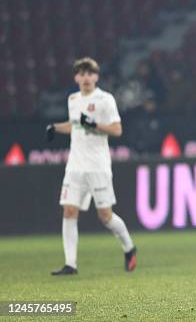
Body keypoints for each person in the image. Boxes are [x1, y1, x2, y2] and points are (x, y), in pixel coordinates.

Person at [45, 57, 137, 275]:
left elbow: (117, 130)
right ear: (76, 77)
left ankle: (129, 247)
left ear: (96, 77)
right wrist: (55, 128)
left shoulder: (105, 99)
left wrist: (94, 124)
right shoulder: (73, 99)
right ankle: (71, 264)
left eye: (90, 73)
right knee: (69, 210)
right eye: (82, 73)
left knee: (105, 216)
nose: (86, 77)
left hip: (97, 165)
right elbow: (75, 125)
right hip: (75, 165)